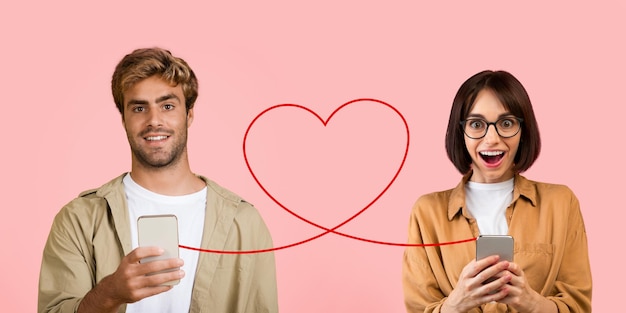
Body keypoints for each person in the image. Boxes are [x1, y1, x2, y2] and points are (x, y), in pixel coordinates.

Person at [38, 47, 278, 313]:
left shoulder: (244, 222)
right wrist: (110, 293)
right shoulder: (77, 220)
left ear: (189, 115)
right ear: (124, 120)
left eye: (167, 106)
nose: (154, 121)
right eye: (139, 108)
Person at [402, 70, 592, 312]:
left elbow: (579, 307)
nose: (491, 138)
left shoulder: (561, 203)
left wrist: (532, 303)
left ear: (523, 131)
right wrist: (455, 303)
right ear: (461, 133)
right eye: (476, 124)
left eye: (506, 123)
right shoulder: (427, 213)